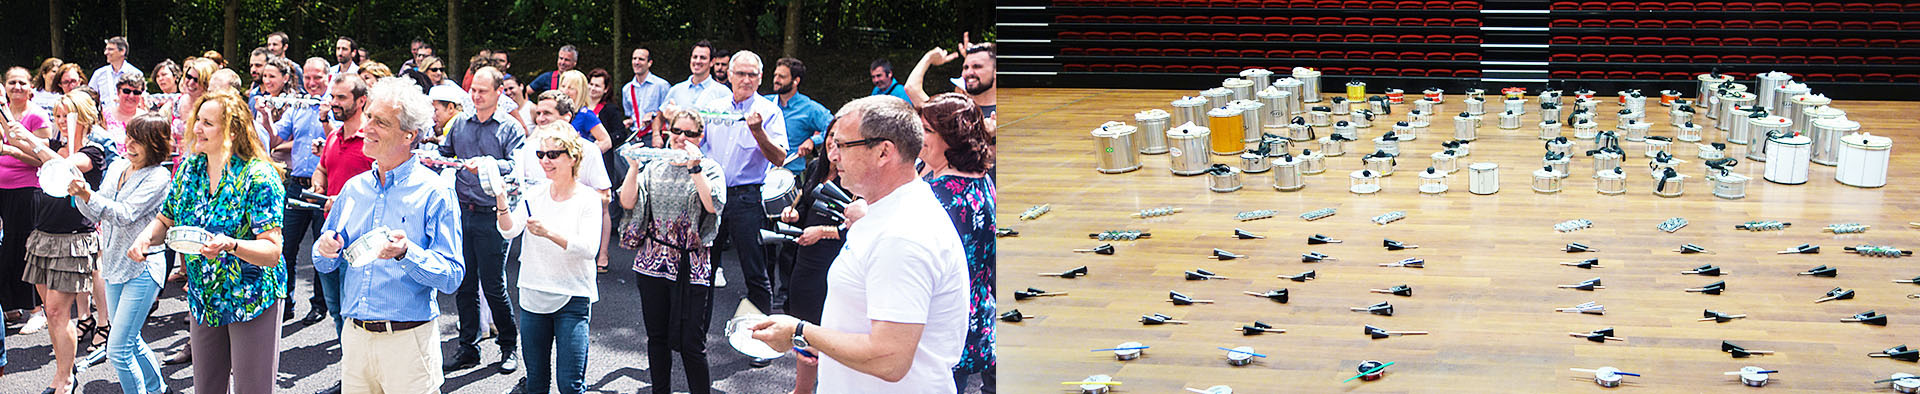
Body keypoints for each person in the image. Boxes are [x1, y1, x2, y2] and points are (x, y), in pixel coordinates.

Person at [750, 95, 968, 392]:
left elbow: (889, 359)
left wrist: (800, 331)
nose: (833, 155)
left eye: (842, 145)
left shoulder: (902, 235)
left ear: (883, 152)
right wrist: (825, 345)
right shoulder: (886, 212)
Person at [125, 88, 288, 394]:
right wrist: (145, 239)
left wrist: (232, 245)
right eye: (197, 120)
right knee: (207, 387)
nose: (197, 127)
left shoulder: (258, 176)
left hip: (251, 296)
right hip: (204, 293)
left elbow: (272, 251)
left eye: (208, 123)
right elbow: (166, 218)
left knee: (252, 388)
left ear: (233, 130)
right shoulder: (190, 169)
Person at [313, 77, 466, 394]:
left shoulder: (434, 192)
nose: (366, 127)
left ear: (409, 135)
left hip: (407, 344)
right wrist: (325, 249)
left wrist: (408, 253)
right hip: (355, 339)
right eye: (368, 116)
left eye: (380, 122)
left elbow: (452, 276)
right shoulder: (354, 188)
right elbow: (324, 261)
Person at [6, 89, 111, 394]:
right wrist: (7, 116)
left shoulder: (93, 151)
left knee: (55, 310)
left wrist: (30, 138)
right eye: (58, 116)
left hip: (73, 239)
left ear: (85, 116)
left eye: (67, 116)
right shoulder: (53, 144)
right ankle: (64, 371)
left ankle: (64, 380)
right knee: (53, 314)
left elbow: (65, 168)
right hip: (42, 236)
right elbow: (17, 140)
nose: (62, 122)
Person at [619, 111, 723, 394]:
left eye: (690, 134)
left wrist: (695, 168)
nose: (682, 138)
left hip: (692, 263)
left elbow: (713, 205)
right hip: (652, 261)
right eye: (677, 131)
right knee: (657, 337)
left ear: (700, 137)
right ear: (667, 131)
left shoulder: (710, 167)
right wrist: (633, 168)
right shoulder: (654, 166)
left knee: (692, 342)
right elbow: (627, 201)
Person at [72, 114, 173, 394]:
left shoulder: (159, 176)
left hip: (144, 267)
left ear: (155, 144)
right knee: (131, 340)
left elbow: (125, 214)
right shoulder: (117, 166)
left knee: (118, 350)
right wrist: (81, 196)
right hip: (114, 263)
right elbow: (97, 211)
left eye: (138, 140)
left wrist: (88, 195)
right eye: (129, 136)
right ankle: (158, 389)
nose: (129, 144)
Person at [500, 124, 603, 394]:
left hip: (572, 295)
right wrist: (501, 201)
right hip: (534, 293)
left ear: (572, 157)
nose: (545, 160)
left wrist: (548, 233)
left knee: (570, 385)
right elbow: (509, 229)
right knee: (535, 382)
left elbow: (589, 249)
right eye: (541, 154)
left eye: (553, 154)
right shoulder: (534, 194)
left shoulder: (588, 198)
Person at [689, 49, 786, 316]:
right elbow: (696, 143)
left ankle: (760, 345)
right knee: (703, 269)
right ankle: (696, 340)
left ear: (760, 78)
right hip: (713, 195)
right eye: (740, 73)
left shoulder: (768, 111)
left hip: (748, 198)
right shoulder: (714, 109)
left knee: (756, 272)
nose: (746, 79)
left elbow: (779, 157)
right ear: (729, 75)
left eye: (752, 74)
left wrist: (758, 132)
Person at [442, 67, 524, 373]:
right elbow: (445, 153)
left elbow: (516, 168)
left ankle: (508, 347)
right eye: (472, 90)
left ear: (498, 93)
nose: (475, 96)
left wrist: (488, 166)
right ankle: (468, 348)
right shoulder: (460, 123)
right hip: (463, 212)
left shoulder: (510, 128)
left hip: (494, 215)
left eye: (482, 91)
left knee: (493, 285)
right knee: (463, 285)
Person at [917, 93, 998, 392]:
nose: (919, 136)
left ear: (951, 138)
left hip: (941, 327)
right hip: (975, 317)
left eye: (926, 130)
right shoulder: (980, 178)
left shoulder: (939, 195)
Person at [272, 57, 337, 326]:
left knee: (323, 248)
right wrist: (265, 116)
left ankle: (320, 304)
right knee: (285, 245)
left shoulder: (336, 104)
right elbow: (275, 137)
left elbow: (342, 138)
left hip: (325, 186)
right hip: (297, 185)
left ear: (328, 78)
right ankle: (284, 303)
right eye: (307, 78)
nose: (311, 83)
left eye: (317, 78)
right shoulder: (297, 105)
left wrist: (325, 119)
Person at [310, 73, 377, 335]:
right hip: (331, 235)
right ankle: (348, 364)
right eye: (332, 97)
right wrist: (318, 187)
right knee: (336, 309)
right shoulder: (333, 137)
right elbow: (322, 169)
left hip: (360, 237)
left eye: (341, 97)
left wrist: (346, 199)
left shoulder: (372, 141)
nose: (334, 103)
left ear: (361, 101)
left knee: (356, 310)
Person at [1, 67, 55, 335]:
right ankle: (9, 304)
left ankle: (36, 310)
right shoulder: (1, 112)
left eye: (22, 82)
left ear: (31, 86)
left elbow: (42, 159)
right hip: (1, 188)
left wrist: (10, 150)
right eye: (12, 82)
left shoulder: (37, 115)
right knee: (5, 248)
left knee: (26, 248)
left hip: (27, 188)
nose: (17, 87)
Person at [907, 35, 997, 119]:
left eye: (977, 66)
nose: (969, 72)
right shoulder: (954, 112)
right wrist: (929, 58)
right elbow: (911, 88)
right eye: (966, 67)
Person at [768, 57, 831, 175]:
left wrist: (813, 141)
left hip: (790, 175)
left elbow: (834, 127)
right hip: (761, 174)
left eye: (782, 77)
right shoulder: (765, 103)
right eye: (775, 75)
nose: (776, 80)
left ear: (796, 81)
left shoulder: (809, 108)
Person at [622, 47, 670, 148]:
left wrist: (653, 115)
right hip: (635, 136)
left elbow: (668, 112)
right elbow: (630, 114)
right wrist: (629, 121)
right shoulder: (626, 89)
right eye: (634, 59)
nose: (636, 62)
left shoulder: (661, 85)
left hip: (654, 136)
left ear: (649, 63)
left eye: (641, 59)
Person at [555, 71, 613, 151]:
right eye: (563, 86)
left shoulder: (585, 114)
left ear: (580, 91)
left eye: (571, 88)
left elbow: (606, 142)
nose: (565, 91)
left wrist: (585, 156)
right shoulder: (553, 111)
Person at [90, 37, 144, 109]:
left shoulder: (136, 74)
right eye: (106, 49)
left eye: (110, 49)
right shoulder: (99, 74)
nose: (106, 53)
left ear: (122, 51)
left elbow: (141, 99)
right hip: (105, 118)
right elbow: (89, 97)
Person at [663, 41, 720, 110]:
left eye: (703, 58)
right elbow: (660, 118)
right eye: (695, 57)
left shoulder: (722, 92)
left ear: (712, 62)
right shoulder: (676, 90)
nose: (697, 61)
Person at [585, 68, 628, 146]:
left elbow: (621, 133)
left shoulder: (611, 109)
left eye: (597, 86)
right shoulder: (580, 105)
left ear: (606, 89)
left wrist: (605, 141)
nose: (592, 88)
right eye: (591, 84)